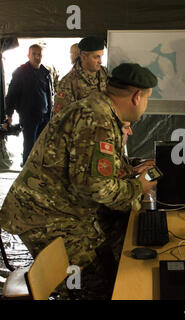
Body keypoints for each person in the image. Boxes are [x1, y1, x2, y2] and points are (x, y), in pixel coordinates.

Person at [0, 63, 158, 299]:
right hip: (45, 215)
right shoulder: (98, 119)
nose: (145, 106)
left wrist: (131, 170)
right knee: (97, 283)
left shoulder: (99, 109)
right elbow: (95, 186)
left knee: (117, 242)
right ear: (137, 97)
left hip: (58, 208)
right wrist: (138, 187)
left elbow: (93, 169)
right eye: (147, 99)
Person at [4, 44, 53, 166]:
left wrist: (50, 115)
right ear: (28, 55)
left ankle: (38, 173)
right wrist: (9, 115)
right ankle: (26, 174)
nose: (37, 57)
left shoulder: (45, 72)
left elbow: (49, 94)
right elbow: (11, 95)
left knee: (41, 147)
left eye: (39, 54)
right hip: (28, 116)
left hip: (44, 116)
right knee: (29, 146)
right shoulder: (20, 72)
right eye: (34, 54)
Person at [53, 36, 109, 114]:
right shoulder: (68, 82)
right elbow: (59, 118)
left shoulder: (104, 72)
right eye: (96, 57)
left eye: (101, 56)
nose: (100, 61)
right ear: (83, 57)